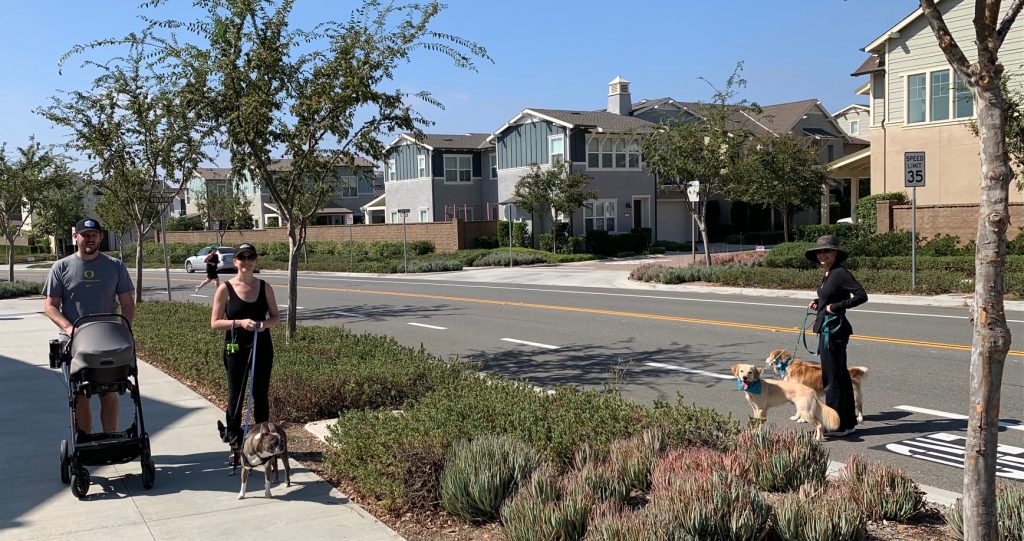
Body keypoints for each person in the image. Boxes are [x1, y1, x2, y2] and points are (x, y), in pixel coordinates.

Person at [43, 217, 135, 436]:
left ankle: (111, 439)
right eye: (85, 235)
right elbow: (50, 307)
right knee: (80, 395)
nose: (90, 239)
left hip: (108, 340)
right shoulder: (61, 267)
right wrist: (68, 329)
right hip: (74, 341)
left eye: (94, 235)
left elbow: (127, 303)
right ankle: (85, 442)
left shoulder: (115, 266)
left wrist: (125, 330)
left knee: (109, 392)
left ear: (100, 237)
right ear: (76, 237)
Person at [209, 243, 279, 450]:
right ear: (235, 261)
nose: (246, 261)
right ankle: (233, 438)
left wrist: (264, 325)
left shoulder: (265, 286)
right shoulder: (225, 288)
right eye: (242, 258)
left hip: (261, 345)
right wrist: (239, 323)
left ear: (255, 261)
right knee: (236, 394)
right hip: (236, 346)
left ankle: (262, 438)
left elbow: (275, 317)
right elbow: (215, 323)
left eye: (251, 257)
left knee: (260, 393)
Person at [805, 235, 868, 437]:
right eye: (819, 251)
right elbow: (832, 296)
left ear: (836, 254)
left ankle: (835, 425)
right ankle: (847, 423)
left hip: (833, 331)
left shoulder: (840, 273)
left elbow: (861, 295)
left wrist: (836, 307)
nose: (822, 254)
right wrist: (819, 302)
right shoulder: (829, 273)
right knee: (839, 378)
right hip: (829, 329)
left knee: (832, 380)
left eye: (827, 251)